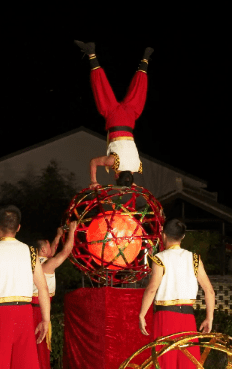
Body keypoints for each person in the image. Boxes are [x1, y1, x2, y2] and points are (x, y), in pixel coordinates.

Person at [0, 205, 51, 368]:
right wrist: (46, 319)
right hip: (24, 315)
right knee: (24, 363)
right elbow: (43, 288)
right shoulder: (30, 253)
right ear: (18, 227)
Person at [75, 40, 153, 188]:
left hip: (130, 119)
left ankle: (146, 59)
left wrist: (132, 183)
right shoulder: (113, 163)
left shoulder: (136, 166)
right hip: (114, 119)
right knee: (101, 88)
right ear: (116, 175)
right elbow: (93, 162)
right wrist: (94, 181)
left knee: (139, 91)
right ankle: (91, 53)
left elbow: (129, 175)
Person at [139, 219, 215, 369]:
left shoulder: (160, 258)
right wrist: (209, 318)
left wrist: (142, 314)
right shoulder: (194, 259)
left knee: (165, 361)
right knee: (188, 362)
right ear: (183, 237)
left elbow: (152, 288)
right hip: (188, 319)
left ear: (163, 235)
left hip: (166, 318)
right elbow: (210, 291)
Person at [31, 221, 77, 369]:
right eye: (48, 246)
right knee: (40, 350)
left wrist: (58, 236)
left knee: (34, 348)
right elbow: (65, 252)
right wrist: (72, 231)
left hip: (32, 309)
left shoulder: (35, 262)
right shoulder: (46, 265)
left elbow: (54, 251)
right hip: (38, 311)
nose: (52, 247)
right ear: (44, 249)